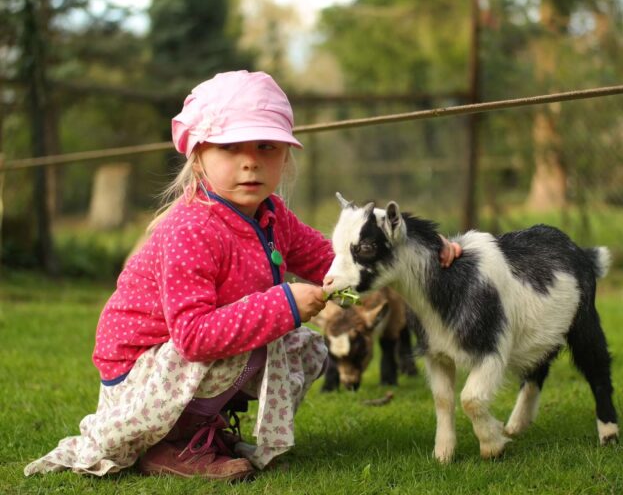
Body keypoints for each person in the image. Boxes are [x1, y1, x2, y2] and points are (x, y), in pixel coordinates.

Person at [24, 71, 461, 481]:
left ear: (285, 155)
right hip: (141, 378)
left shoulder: (272, 216)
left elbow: (335, 260)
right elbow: (193, 336)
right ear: (198, 159)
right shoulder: (192, 229)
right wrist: (286, 303)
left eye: (265, 147)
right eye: (231, 148)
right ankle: (169, 443)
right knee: (260, 340)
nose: (250, 162)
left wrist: (421, 248)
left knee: (300, 347)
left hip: (179, 367)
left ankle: (199, 426)